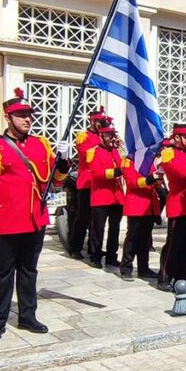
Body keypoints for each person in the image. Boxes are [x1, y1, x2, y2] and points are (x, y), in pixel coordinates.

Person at [0, 89, 68, 342]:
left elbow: (56, 180)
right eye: (21, 115)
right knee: (2, 273)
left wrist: (64, 160)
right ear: (8, 117)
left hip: (35, 218)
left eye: (29, 115)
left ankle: (27, 316)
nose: (27, 120)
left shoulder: (40, 145)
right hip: (7, 220)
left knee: (29, 270)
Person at [158, 123, 186, 289]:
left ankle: (183, 275)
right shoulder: (169, 154)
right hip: (178, 206)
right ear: (176, 137)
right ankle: (164, 277)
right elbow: (184, 174)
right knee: (173, 245)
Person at [68, 107, 109, 258]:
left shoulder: (105, 135)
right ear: (92, 121)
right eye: (98, 121)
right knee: (83, 216)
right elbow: (88, 155)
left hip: (101, 182)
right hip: (87, 180)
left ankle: (95, 247)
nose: (101, 123)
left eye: (103, 121)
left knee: (97, 218)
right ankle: (75, 247)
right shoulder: (83, 136)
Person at [119, 155, 162, 281]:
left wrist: (158, 179)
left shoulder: (149, 160)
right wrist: (149, 179)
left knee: (145, 239)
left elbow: (155, 179)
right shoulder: (129, 161)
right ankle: (126, 268)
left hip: (149, 205)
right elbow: (132, 182)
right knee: (132, 238)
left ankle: (143, 268)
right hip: (136, 204)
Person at [87, 127, 125, 268]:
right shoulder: (94, 152)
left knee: (114, 229)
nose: (111, 138)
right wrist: (117, 171)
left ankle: (111, 256)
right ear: (101, 136)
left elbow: (125, 166)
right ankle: (95, 256)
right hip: (101, 196)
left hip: (117, 197)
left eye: (113, 135)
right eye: (108, 136)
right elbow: (97, 173)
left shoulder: (116, 151)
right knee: (98, 229)